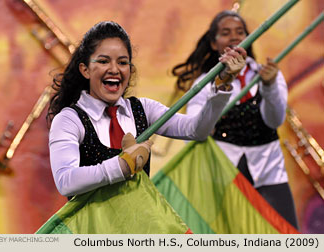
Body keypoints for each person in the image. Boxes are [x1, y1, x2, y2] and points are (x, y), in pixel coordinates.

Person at [47, 21, 246, 199]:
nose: (115, 69)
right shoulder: (69, 120)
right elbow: (66, 182)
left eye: (123, 62)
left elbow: (197, 130)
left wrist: (222, 86)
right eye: (103, 61)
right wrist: (123, 165)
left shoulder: (143, 109)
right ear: (85, 69)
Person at [172, 11, 298, 229]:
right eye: (225, 33)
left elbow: (275, 120)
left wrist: (269, 88)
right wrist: (222, 84)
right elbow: (191, 134)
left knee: (285, 236)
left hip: (269, 173)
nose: (234, 37)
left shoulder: (267, 73)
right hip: (222, 177)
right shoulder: (204, 83)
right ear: (213, 43)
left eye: (240, 32)